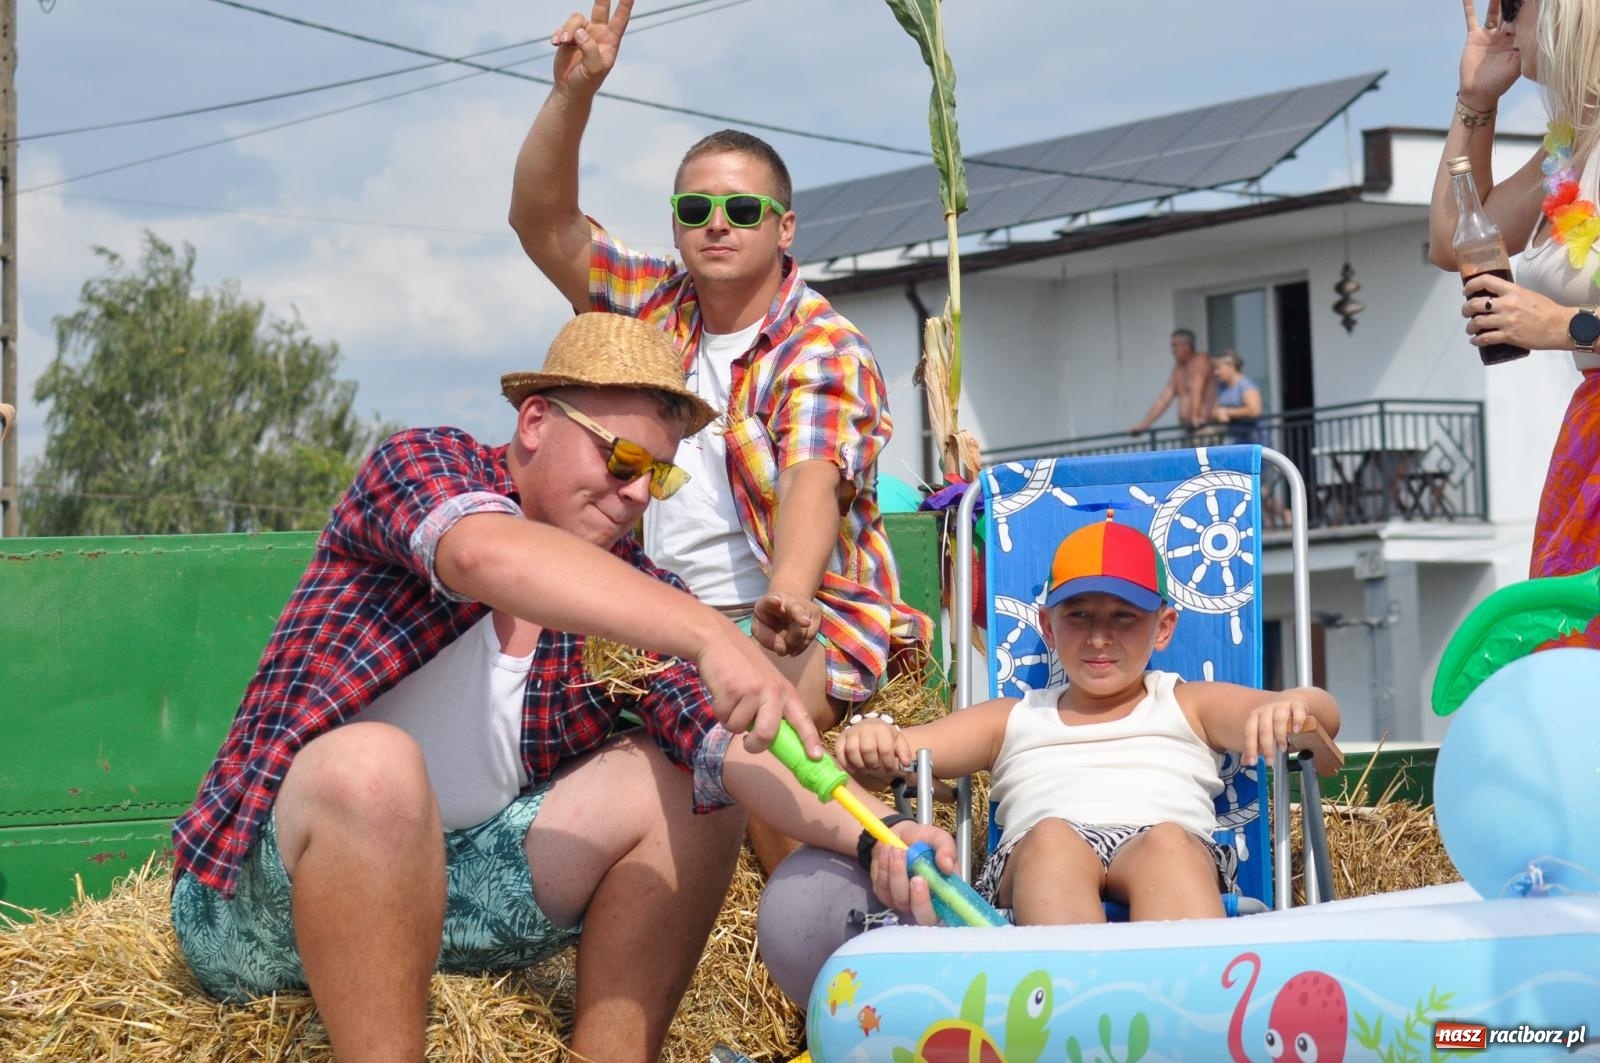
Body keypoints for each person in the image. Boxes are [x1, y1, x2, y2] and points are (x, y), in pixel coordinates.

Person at [167, 312, 953, 1063]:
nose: (639, 494)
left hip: (461, 889)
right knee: (376, 765)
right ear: (536, 422)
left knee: (698, 781)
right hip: (266, 897)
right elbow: (485, 556)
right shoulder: (425, 467)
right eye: (622, 460)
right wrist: (711, 630)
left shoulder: (631, 592)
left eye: (660, 475)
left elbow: (744, 751)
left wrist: (881, 831)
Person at [508, 0, 932, 869]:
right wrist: (575, 94)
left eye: (743, 211)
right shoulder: (652, 306)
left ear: (785, 230)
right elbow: (539, 221)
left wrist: (787, 594)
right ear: (674, 224)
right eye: (697, 206)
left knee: (763, 752)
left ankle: (828, 976)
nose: (717, 224)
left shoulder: (824, 344)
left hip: (792, 621)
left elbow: (814, 473)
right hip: (650, 625)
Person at [834, 516, 1340, 925]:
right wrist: (873, 732)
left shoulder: (1188, 704)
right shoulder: (1014, 717)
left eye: (1124, 617)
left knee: (1169, 843)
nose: (1100, 638)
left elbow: (1321, 720)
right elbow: (898, 753)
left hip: (1165, 851)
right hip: (1039, 860)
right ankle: (1070, 1019)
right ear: (1047, 627)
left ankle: (1186, 1016)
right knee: (1053, 840)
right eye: (1078, 616)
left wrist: (1293, 703)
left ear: (1163, 627)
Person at [1427, 0, 1600, 649]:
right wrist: (1476, 100)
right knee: (1570, 666)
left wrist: (1563, 326)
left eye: (1511, 6)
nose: (1499, 23)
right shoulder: (1575, 143)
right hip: (1590, 439)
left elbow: (1562, 322)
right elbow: (1454, 242)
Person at [1129, 329, 1217, 439]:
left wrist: (1195, 416)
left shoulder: (1201, 360)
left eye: (1175, 346)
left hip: (1204, 428)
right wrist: (1144, 425)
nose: (1172, 350)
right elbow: (1163, 400)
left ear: (1186, 346)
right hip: (1188, 430)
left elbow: (1197, 388)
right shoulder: (1178, 369)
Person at [1210, 350, 1267, 446]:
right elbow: (1215, 411)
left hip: (1254, 438)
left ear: (1231, 367)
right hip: (1235, 438)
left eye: (1218, 368)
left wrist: (1227, 412)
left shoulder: (1245, 384)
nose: (1216, 372)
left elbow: (1254, 411)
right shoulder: (1221, 387)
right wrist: (1219, 414)